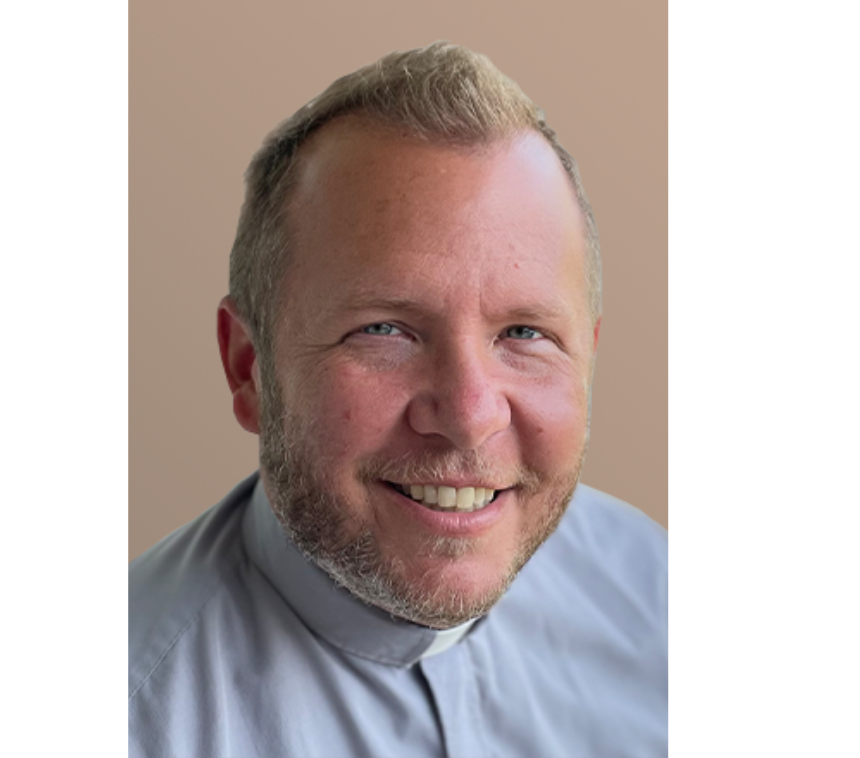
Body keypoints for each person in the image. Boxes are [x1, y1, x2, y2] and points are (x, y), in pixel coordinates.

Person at [129, 42, 667, 758]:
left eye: (525, 333)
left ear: (589, 355)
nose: (471, 414)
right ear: (248, 366)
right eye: (385, 331)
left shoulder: (662, 599)